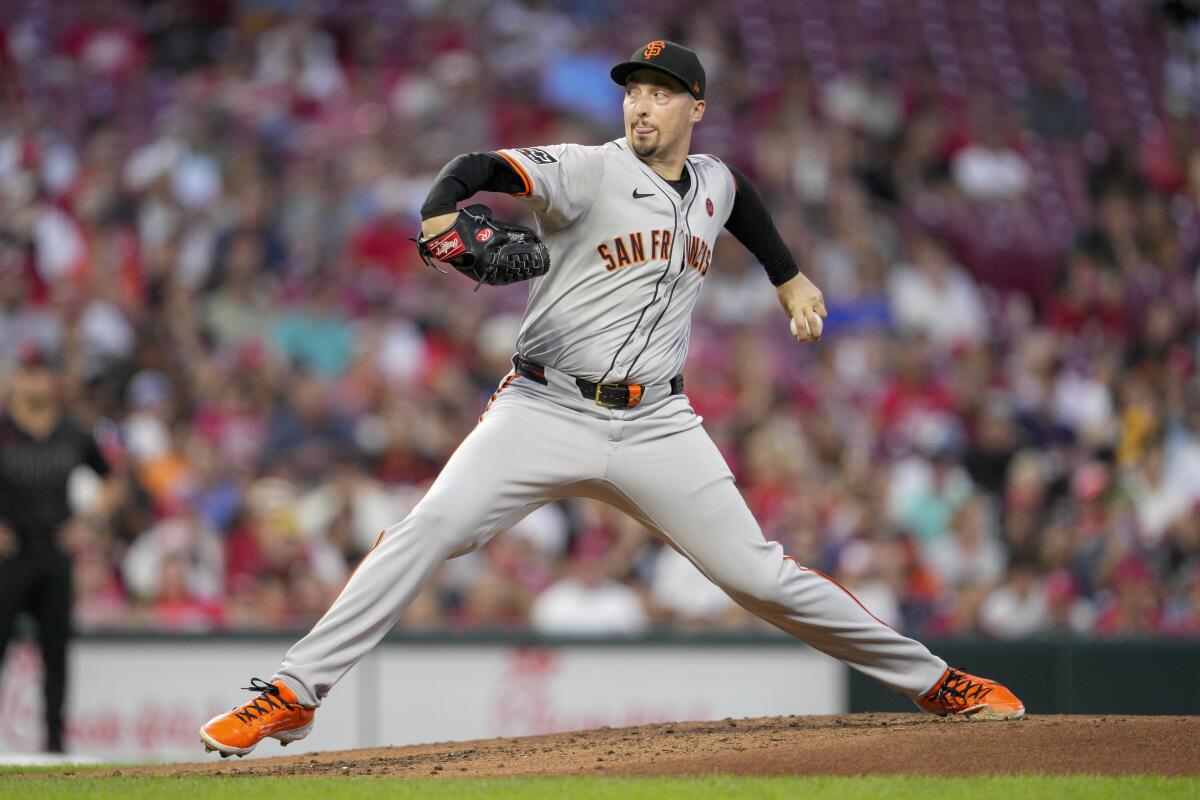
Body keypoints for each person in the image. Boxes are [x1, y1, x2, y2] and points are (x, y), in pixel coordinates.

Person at [200, 40, 1024, 758]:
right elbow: (483, 169)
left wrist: (789, 275)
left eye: (660, 92)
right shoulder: (592, 169)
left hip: (658, 422)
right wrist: (441, 212)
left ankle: (937, 682)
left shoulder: (713, 182)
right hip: (544, 408)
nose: (642, 104)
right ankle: (294, 693)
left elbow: (742, 206)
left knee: (761, 578)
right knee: (430, 529)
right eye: (633, 89)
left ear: (695, 107)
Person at [0, 345, 119, 753]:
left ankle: (53, 744)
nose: (34, 381)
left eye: (40, 372)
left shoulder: (72, 432)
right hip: (8, 556)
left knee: (56, 654)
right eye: (27, 371)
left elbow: (111, 479)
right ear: (15, 379)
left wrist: (87, 524)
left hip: (54, 553)